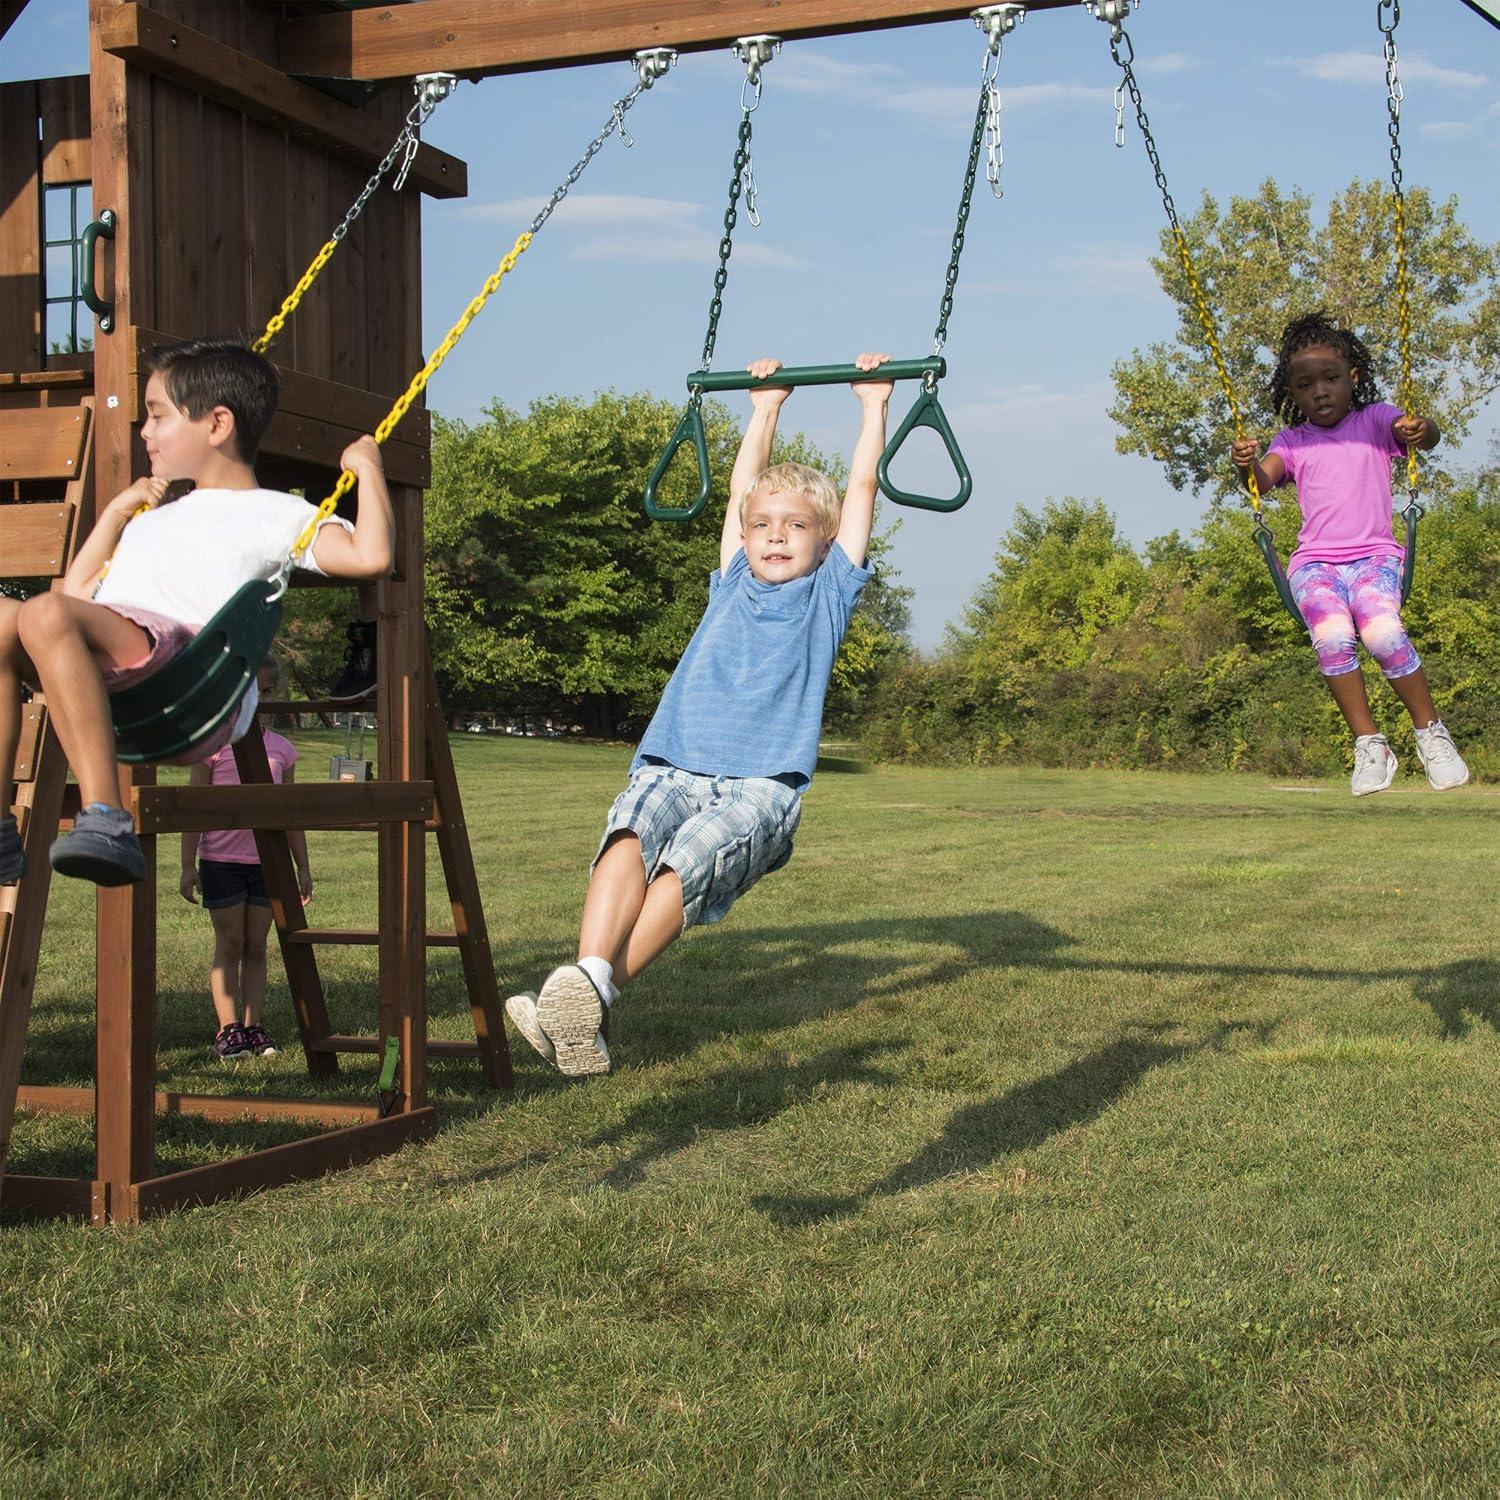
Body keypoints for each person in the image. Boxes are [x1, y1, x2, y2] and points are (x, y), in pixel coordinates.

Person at [505, 352, 894, 1077]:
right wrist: (764, 409)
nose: (776, 535)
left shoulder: (829, 594)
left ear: (824, 540)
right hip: (673, 759)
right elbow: (740, 492)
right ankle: (589, 981)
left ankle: (588, 991)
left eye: (798, 526)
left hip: (761, 785)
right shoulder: (732, 581)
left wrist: (872, 408)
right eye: (764, 526)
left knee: (683, 869)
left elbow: (863, 488)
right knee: (628, 838)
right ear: (744, 538)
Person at [0, 337, 393, 887]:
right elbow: (72, 597)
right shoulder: (151, 521)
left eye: (157, 415)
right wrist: (115, 515)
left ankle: (106, 818)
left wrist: (367, 468)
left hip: (191, 677)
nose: (145, 431)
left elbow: (370, 556)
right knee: (6, 620)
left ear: (217, 425)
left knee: (43, 614)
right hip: (122, 668)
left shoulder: (276, 514)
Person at [1231, 311, 1468, 797]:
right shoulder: (1293, 441)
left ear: (1352, 378)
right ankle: (1370, 743)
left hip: (1376, 557)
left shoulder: (1376, 420)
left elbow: (1423, 433)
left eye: (1331, 378)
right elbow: (1262, 480)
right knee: (1334, 636)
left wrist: (1425, 430)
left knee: (1381, 632)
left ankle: (1430, 733)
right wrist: (1246, 465)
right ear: (1292, 393)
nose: (1320, 391)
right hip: (1316, 565)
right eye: (1305, 384)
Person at [180, 658, 311, 1061]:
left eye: (267, 691)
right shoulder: (212, 747)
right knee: (230, 941)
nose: (257, 699)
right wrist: (187, 865)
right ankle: (228, 1028)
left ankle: (254, 1027)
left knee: (257, 944)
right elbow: (194, 810)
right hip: (221, 861)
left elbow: (291, 814)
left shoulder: (283, 751)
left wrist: (302, 866)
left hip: (267, 864)